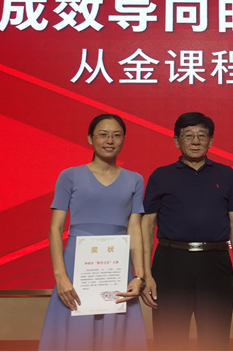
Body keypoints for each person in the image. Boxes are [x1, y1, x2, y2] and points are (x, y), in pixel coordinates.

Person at [38, 114, 147, 352]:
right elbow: (55, 228)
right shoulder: (69, 176)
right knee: (76, 335)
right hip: (75, 266)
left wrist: (139, 276)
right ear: (90, 138)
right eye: (103, 135)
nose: (110, 140)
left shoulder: (135, 180)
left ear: (124, 139)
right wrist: (61, 276)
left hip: (117, 266)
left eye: (116, 135)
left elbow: (135, 229)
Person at [141, 112, 233, 351]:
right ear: (176, 141)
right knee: (169, 338)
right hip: (170, 263)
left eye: (202, 135)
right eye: (188, 136)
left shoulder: (227, 175)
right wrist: (146, 275)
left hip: (215, 263)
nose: (196, 141)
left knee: (215, 339)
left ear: (211, 140)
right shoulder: (161, 175)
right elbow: (146, 225)